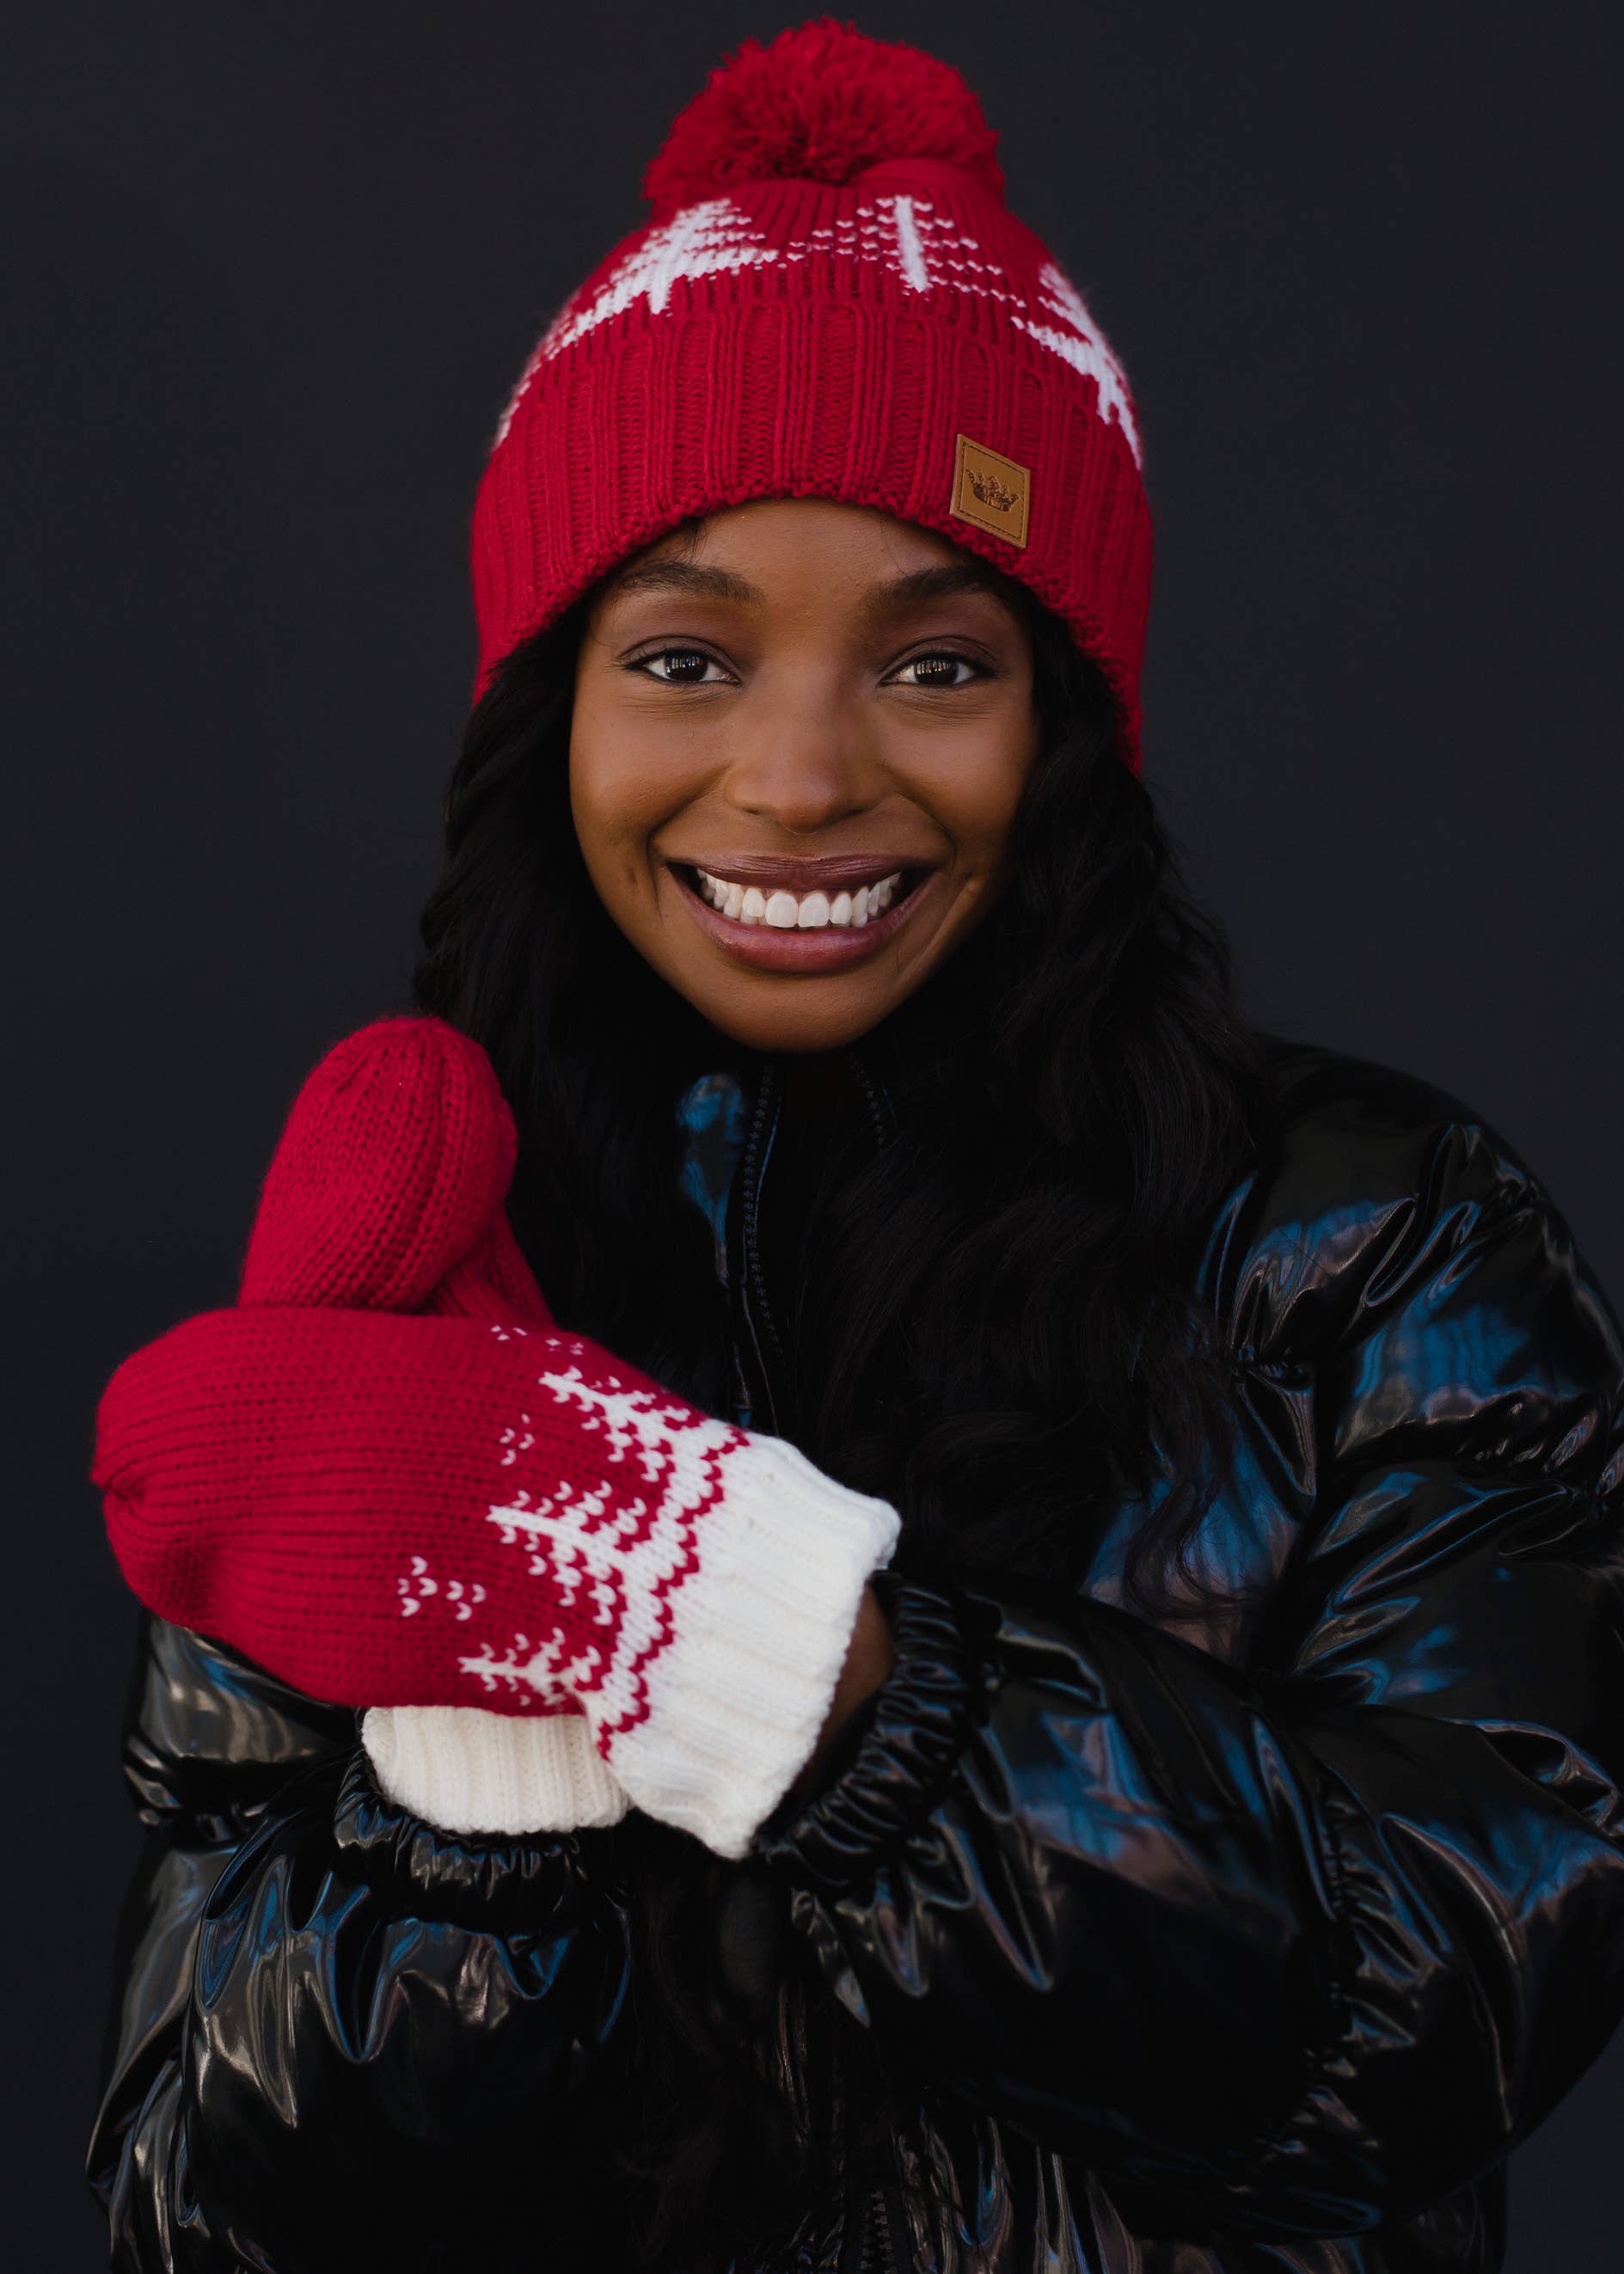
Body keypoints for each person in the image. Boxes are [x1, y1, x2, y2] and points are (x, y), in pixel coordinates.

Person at [85, 21, 1624, 2274]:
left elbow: (1443, 2006)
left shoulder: (1370, 1247)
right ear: (553, 720)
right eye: (687, 659)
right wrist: (465, 1802)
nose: (797, 780)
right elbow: (191, 2216)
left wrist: (753, 1641)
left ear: (1069, 727)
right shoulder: (417, 1273)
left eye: (933, 663)